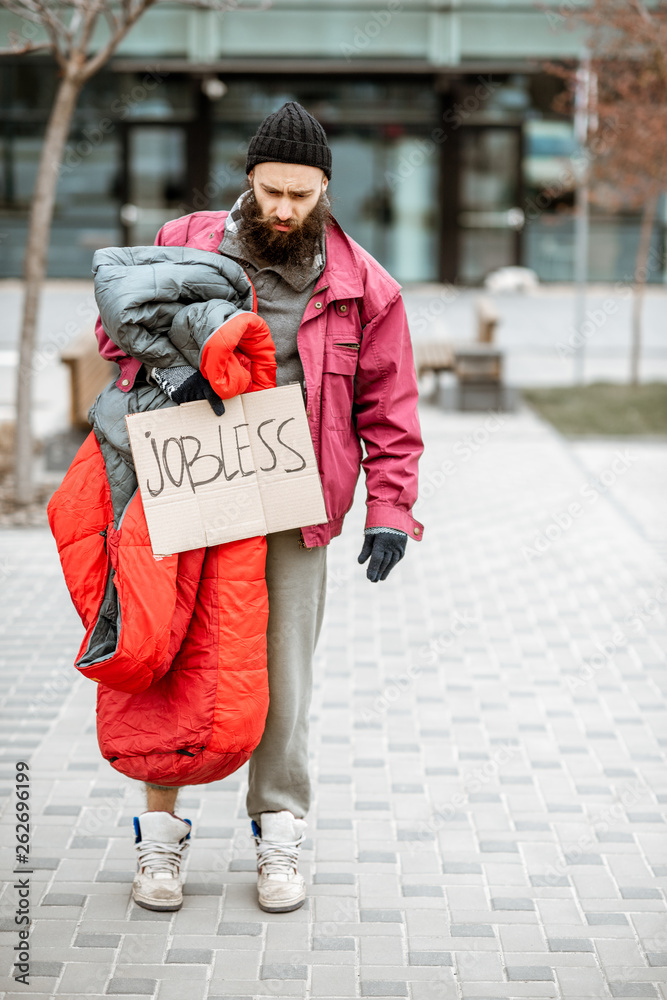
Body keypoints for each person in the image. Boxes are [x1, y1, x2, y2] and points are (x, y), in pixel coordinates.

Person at [94, 101, 424, 914]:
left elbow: (389, 409)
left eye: (301, 195)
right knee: (164, 656)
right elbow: (112, 337)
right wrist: (187, 341)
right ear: (248, 180)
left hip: (291, 500)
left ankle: (279, 834)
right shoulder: (184, 245)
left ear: (324, 192)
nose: (284, 209)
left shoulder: (362, 286)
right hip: (184, 482)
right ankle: (160, 845)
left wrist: (390, 510)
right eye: (272, 190)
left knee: (283, 676)